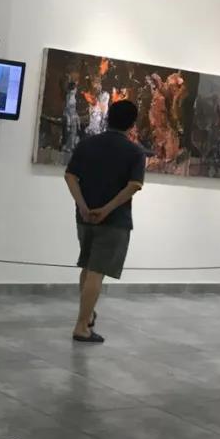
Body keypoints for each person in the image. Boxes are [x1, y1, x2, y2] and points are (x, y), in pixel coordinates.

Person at [63, 99, 145, 343]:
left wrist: (83, 206)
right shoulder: (134, 152)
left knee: (88, 267)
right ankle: (81, 326)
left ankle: (87, 316)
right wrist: (107, 210)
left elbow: (70, 176)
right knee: (96, 272)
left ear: (108, 117)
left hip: (85, 218)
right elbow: (134, 185)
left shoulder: (88, 144)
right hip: (114, 221)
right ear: (132, 124)